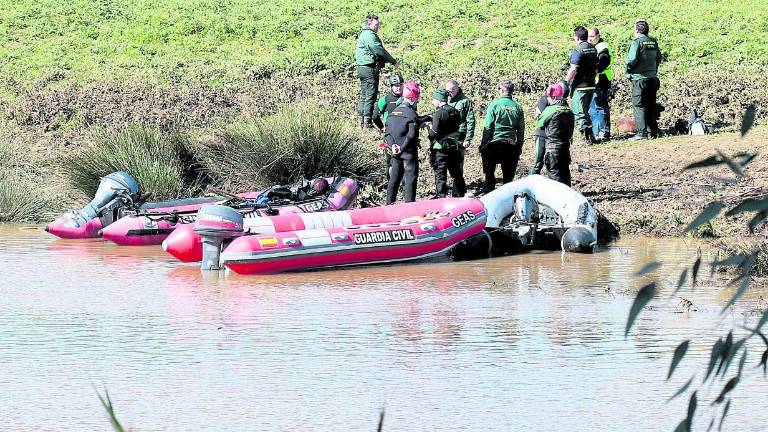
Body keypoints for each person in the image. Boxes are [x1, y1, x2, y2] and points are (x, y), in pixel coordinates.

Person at [479, 80, 525, 192]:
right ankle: (507, 200)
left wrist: (484, 144)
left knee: (489, 173)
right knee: (508, 178)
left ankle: (490, 194)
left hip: (495, 144)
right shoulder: (517, 107)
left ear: (502, 90)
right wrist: (519, 145)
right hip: (510, 144)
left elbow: (488, 127)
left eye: (499, 89)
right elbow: (521, 129)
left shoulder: (494, 105)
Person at [355, 14, 397, 128]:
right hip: (369, 68)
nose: (377, 27)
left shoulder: (364, 34)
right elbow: (377, 49)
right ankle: (367, 123)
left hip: (362, 68)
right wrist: (393, 61)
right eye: (376, 25)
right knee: (370, 95)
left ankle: (361, 121)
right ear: (369, 24)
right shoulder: (369, 35)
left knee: (364, 94)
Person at [384, 81, 422, 204]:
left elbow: (387, 134)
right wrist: (403, 147)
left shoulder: (392, 113)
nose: (417, 102)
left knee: (394, 179)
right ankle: (409, 206)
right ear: (412, 99)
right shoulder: (411, 114)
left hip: (395, 152)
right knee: (410, 179)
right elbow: (412, 135)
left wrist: (394, 146)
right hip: (408, 152)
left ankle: (388, 204)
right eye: (416, 100)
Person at [625, 19, 663, 140]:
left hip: (639, 79)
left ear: (636, 30)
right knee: (650, 104)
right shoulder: (653, 41)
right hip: (652, 78)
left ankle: (641, 133)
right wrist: (653, 70)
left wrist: (629, 70)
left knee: (639, 105)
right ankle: (652, 131)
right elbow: (658, 58)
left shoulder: (636, 42)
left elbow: (631, 60)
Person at [426, 89, 466, 198]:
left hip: (441, 147)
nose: (433, 102)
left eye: (434, 99)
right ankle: (459, 194)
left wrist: (429, 126)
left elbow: (433, 133)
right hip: (454, 146)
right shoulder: (455, 111)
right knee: (456, 172)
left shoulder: (438, 113)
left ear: (439, 100)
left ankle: (441, 195)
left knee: (440, 172)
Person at [536, 83, 575, 186]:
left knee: (554, 174)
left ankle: (558, 198)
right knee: (565, 174)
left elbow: (539, 124)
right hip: (565, 147)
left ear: (552, 96)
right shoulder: (569, 110)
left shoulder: (550, 110)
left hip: (553, 149)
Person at [565, 26, 598, 144]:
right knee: (586, 111)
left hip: (580, 86)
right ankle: (591, 136)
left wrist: (566, 81)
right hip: (591, 84)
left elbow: (573, 69)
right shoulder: (593, 48)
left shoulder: (578, 50)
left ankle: (586, 138)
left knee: (579, 113)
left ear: (577, 37)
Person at [588, 27, 613, 141]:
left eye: (592, 37)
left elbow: (602, 63)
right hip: (594, 81)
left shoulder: (603, 48)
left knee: (600, 107)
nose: (590, 39)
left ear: (598, 36)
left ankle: (603, 133)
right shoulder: (593, 47)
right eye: (588, 37)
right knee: (593, 108)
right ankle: (596, 132)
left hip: (601, 81)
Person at [445, 80, 475, 150]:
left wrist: (468, 139)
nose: (449, 93)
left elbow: (470, 121)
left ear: (457, 89)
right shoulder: (444, 99)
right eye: (447, 91)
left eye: (451, 91)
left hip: (459, 134)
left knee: (457, 158)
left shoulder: (465, 101)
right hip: (446, 134)